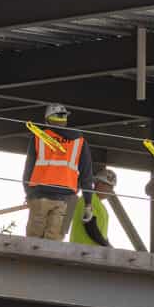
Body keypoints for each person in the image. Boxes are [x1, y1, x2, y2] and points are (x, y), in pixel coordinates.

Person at [21, 103, 94, 241]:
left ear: (47, 119)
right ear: (65, 120)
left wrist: (28, 193)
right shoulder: (79, 141)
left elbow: (28, 169)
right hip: (66, 200)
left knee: (32, 243)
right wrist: (88, 204)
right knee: (54, 245)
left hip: (39, 196)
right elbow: (86, 175)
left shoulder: (38, 137)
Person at [70, 167, 116, 247]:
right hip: (81, 249)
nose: (111, 191)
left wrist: (108, 245)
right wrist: (106, 245)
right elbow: (90, 225)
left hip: (91, 251)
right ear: (99, 183)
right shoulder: (88, 198)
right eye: (109, 186)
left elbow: (101, 232)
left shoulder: (100, 206)